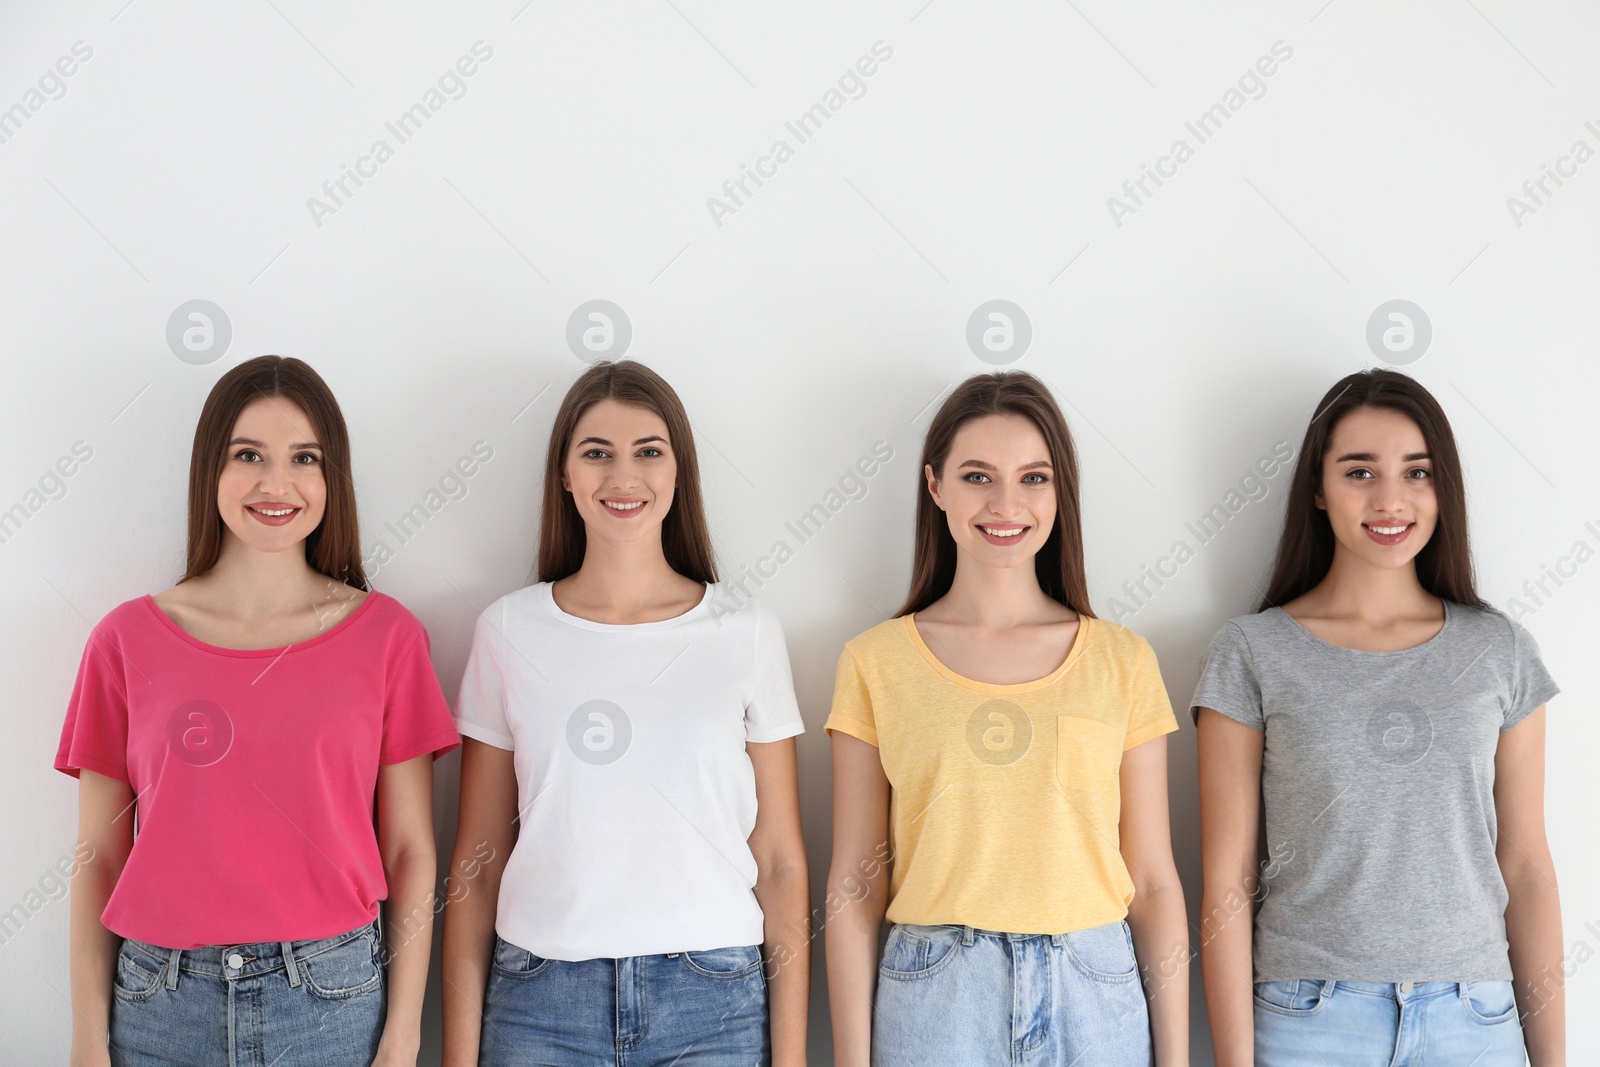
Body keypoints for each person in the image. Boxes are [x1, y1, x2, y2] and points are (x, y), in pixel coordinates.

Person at [58, 355, 460, 1067]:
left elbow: (409, 851)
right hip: (159, 1005)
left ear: (331, 477)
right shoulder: (124, 641)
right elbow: (99, 859)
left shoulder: (388, 637)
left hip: (332, 1003)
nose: (277, 484)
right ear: (211, 468)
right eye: (250, 455)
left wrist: (404, 1035)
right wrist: (88, 1043)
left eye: (304, 457)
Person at [442, 359, 810, 1067]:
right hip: (541, 1002)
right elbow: (477, 863)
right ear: (565, 475)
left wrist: (792, 1059)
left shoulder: (745, 629)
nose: (623, 476)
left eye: (648, 451)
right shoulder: (507, 631)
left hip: (714, 999)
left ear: (679, 471)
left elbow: (782, 861)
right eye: (597, 453)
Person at [1194, 368, 1565, 1066]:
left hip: (1474, 1021)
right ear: (1317, 487)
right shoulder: (1253, 651)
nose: (1390, 498)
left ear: (1441, 488)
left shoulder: (1500, 651)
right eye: (1359, 471)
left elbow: (1527, 864)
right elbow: (1225, 881)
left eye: (1416, 472)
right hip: (1309, 1021)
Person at [825, 370, 1189, 1067]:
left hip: (1096, 990)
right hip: (937, 998)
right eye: (977, 476)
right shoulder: (874, 662)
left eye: (1033, 477)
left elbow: (1154, 881)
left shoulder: (1123, 660)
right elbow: (855, 883)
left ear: (1060, 491)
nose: (1006, 502)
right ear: (935, 488)